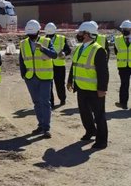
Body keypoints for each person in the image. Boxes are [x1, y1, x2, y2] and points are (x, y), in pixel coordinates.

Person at [67, 21, 109, 149]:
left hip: (94, 89)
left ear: (87, 34)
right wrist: (70, 81)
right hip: (81, 87)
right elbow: (74, 65)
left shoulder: (98, 50)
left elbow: (103, 72)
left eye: (80, 32)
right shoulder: (79, 48)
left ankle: (102, 140)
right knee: (84, 113)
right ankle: (90, 131)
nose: (78, 35)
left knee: (99, 115)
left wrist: (102, 89)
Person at [19, 19, 58, 138]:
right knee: (36, 102)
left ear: (38, 32)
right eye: (29, 34)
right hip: (31, 77)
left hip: (45, 77)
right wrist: (24, 75)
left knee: (45, 102)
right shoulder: (23, 43)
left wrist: (42, 48)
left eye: (33, 34)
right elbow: (21, 60)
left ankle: (46, 128)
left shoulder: (46, 41)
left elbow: (54, 55)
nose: (31, 36)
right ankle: (40, 125)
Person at [44, 22, 71, 108]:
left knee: (60, 84)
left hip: (59, 66)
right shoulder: (43, 40)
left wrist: (64, 53)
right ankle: (51, 102)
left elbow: (68, 50)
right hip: (48, 65)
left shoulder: (61, 38)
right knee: (49, 85)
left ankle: (62, 99)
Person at [113, 19, 131, 109]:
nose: (124, 31)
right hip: (123, 66)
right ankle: (123, 103)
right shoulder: (117, 40)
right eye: (123, 29)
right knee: (124, 84)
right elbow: (116, 51)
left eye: (126, 29)